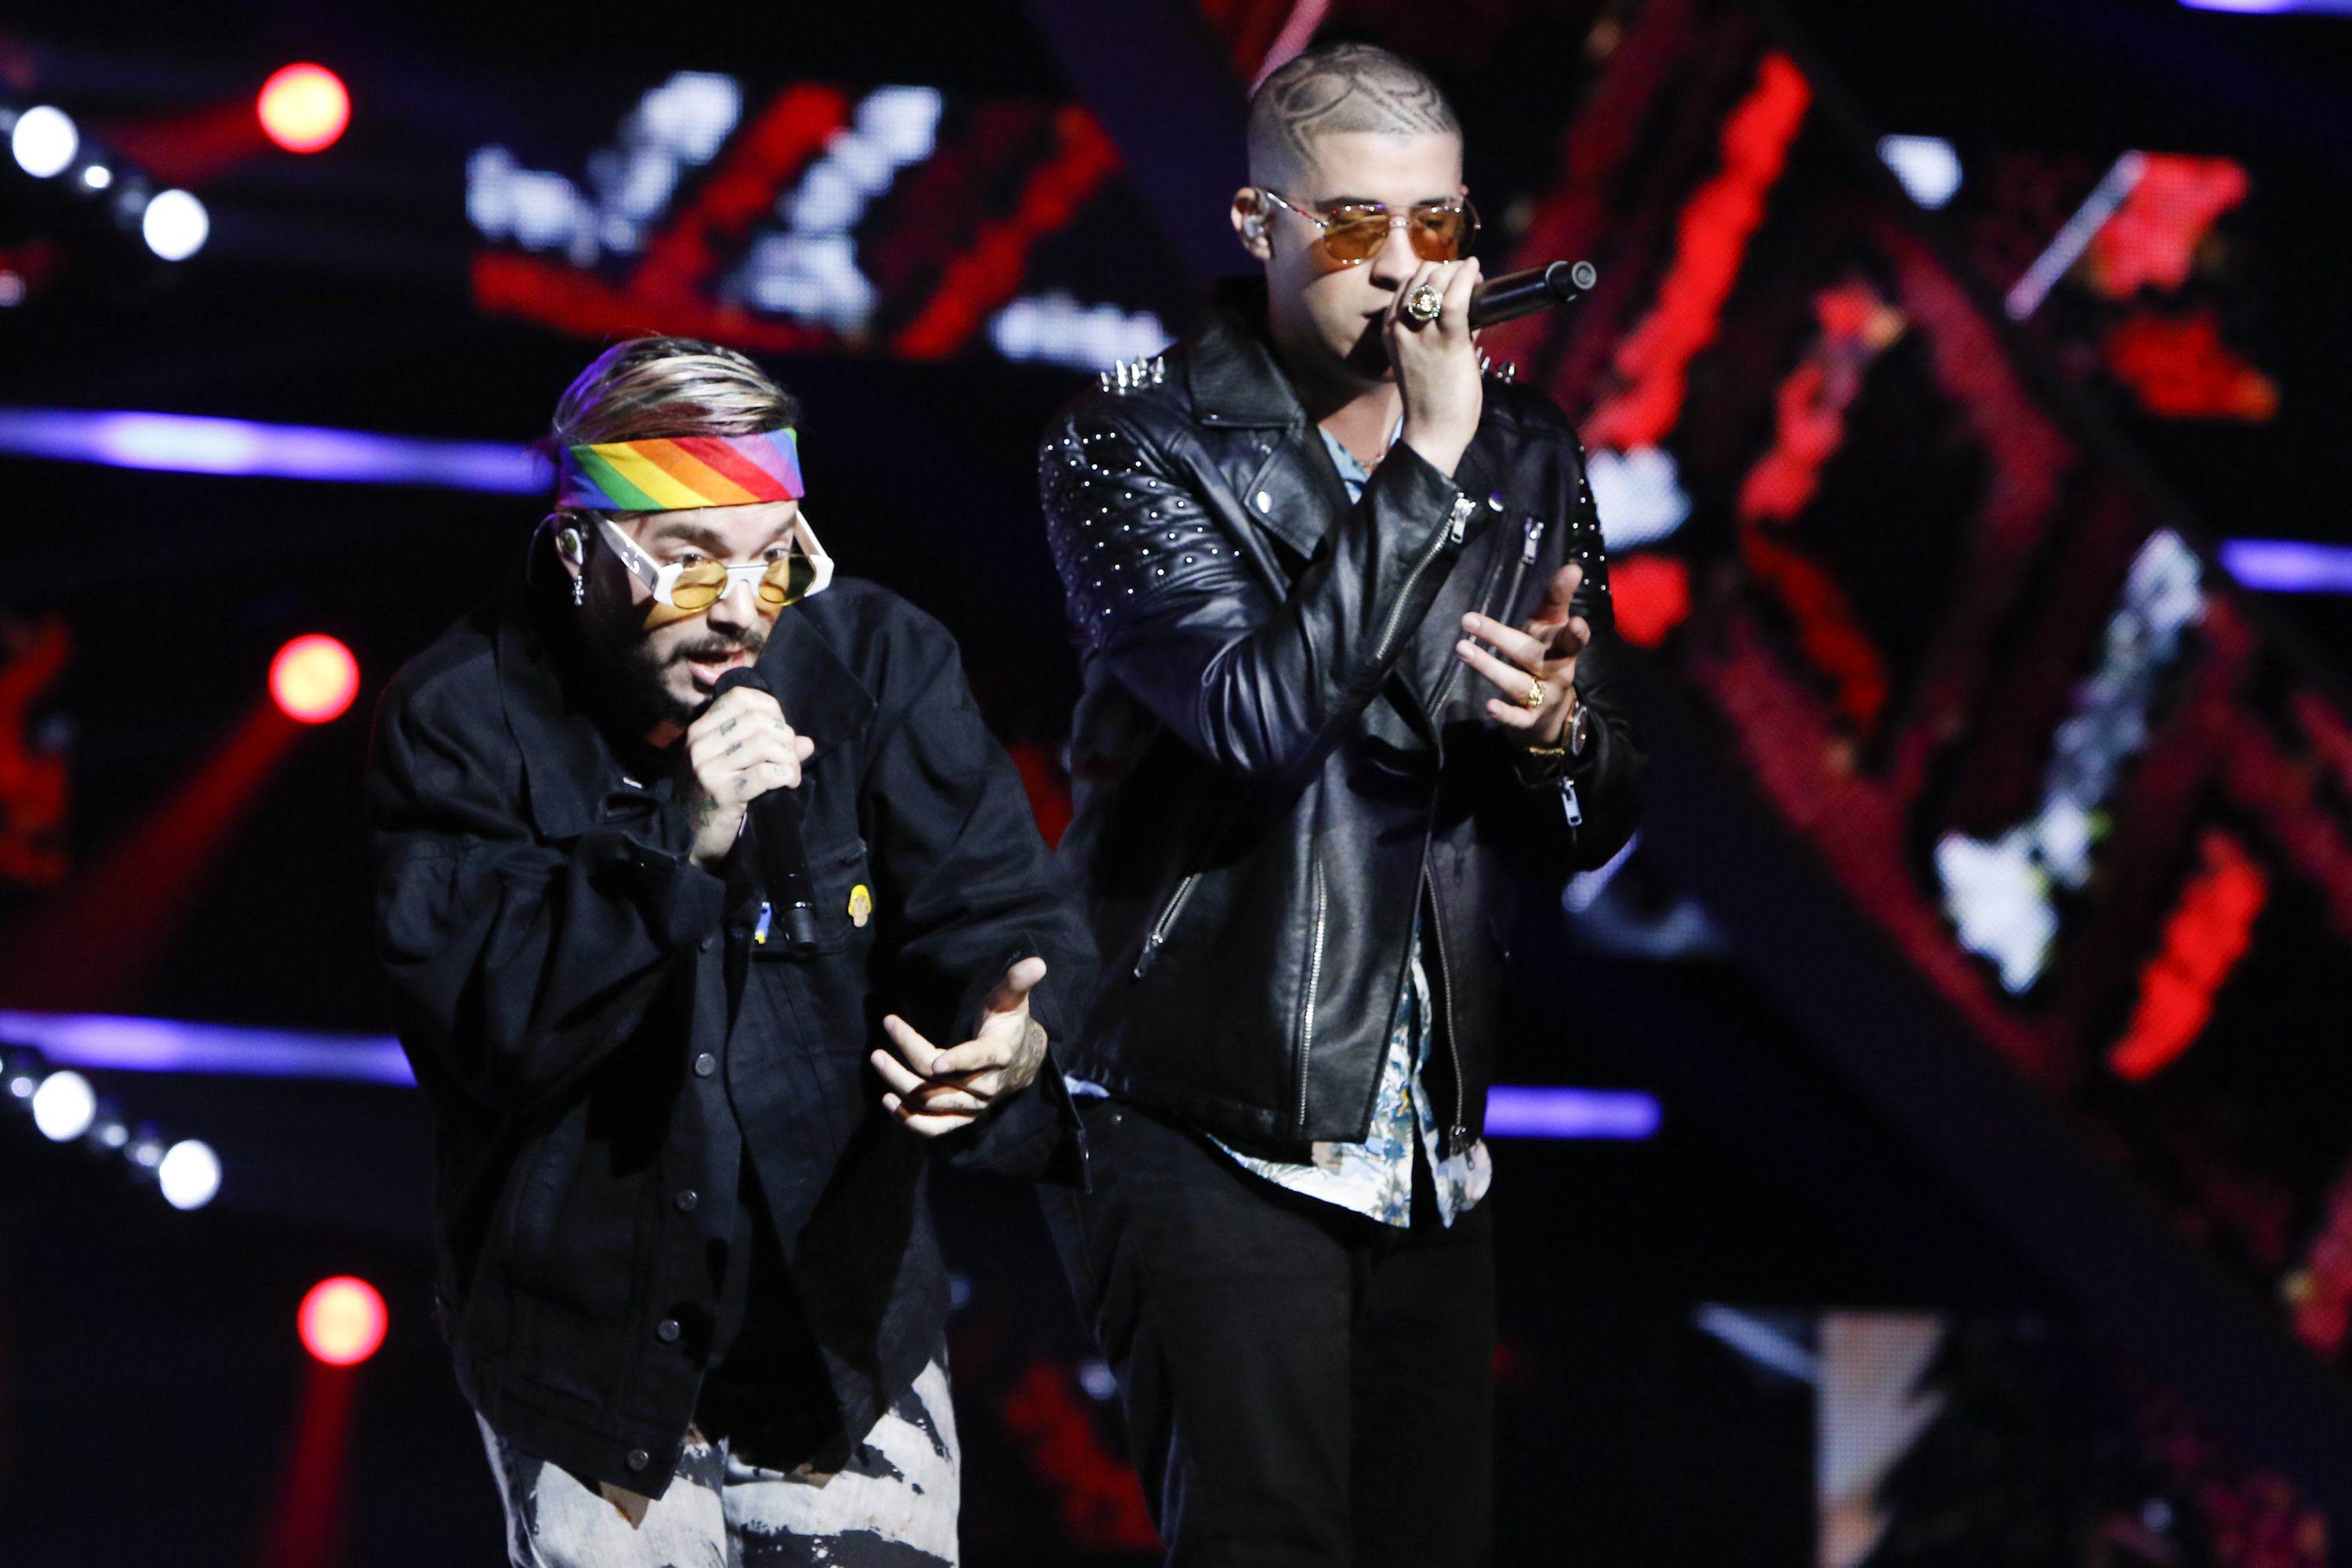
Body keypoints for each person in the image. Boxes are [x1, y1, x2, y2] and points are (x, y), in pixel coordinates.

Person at [1035, 42, 1646, 1566]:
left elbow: (1594, 828)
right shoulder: (1132, 438)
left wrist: (1558, 736)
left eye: (1437, 224)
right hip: (1202, 1105)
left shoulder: (1528, 450)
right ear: (1261, 221)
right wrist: (1423, 460)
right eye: (1360, 224)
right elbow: (1257, 719)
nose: (1405, 269)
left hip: (1426, 1135)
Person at [368, 337, 1089, 1566]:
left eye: (775, 559)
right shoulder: (459, 716)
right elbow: (484, 1034)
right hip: (588, 1348)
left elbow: (1002, 915)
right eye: (693, 565)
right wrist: (680, 840)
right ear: (579, 551)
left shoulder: (878, 661)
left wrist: (1012, 1046)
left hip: (840, 1330)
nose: (745, 609)